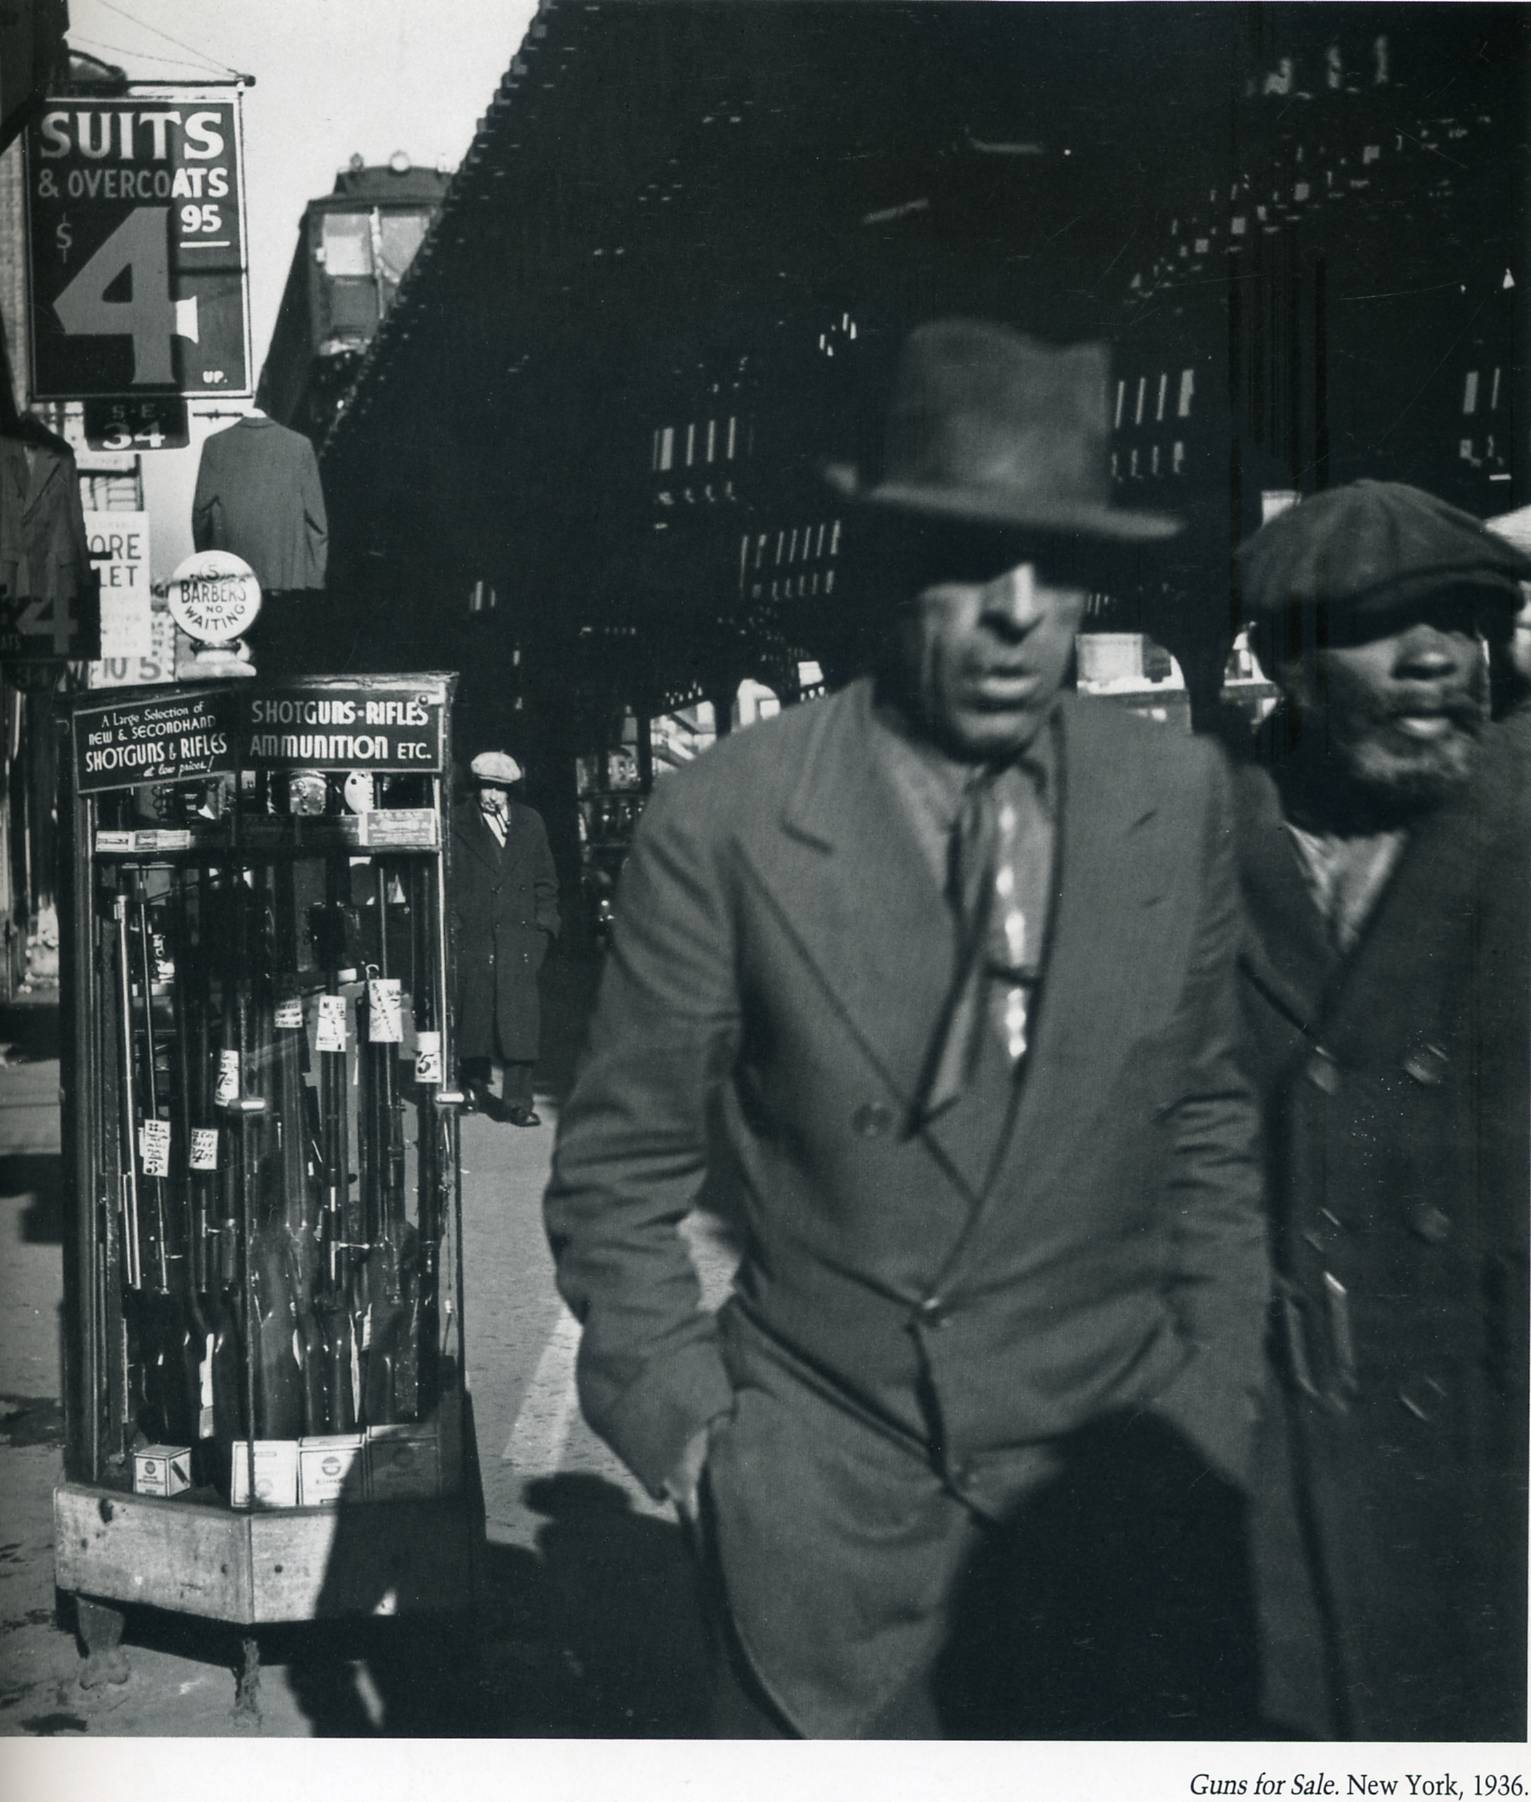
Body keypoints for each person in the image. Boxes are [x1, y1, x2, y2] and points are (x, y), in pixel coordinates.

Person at [544, 320, 1269, 1738]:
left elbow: (1203, 1122)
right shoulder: (729, 819)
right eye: (968, 561)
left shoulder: (1173, 797)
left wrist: (1213, 1406)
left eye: (1056, 568)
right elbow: (615, 1174)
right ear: (887, 565)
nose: (1016, 612)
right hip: (825, 1549)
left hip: (1112, 1530)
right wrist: (695, 1436)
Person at [1230, 480, 1531, 1741]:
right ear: (1285, 659)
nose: (1434, 656)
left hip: (1494, 1435)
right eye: (1379, 623)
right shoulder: (1197, 844)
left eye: (1462, 620)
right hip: (1274, 1449)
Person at [451, 751, 559, 1126]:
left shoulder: (530, 823)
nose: (493, 796)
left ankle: (518, 1102)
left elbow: (546, 881)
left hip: (520, 939)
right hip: (474, 937)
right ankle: (472, 1087)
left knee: (520, 1023)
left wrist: (544, 928)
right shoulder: (457, 823)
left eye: (500, 789)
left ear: (511, 791)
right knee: (474, 1017)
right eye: (487, 787)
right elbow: (447, 881)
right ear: (476, 787)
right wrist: (454, 927)